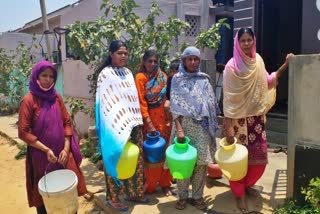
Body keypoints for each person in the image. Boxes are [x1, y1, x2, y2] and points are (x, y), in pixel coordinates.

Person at [222, 27, 293, 213]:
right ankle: (239, 195)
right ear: (237, 43)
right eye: (243, 40)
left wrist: (285, 66)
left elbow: (267, 82)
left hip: (256, 121)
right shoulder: (231, 67)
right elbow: (229, 98)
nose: (246, 44)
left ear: (253, 41)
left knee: (259, 159)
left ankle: (246, 185)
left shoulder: (258, 61)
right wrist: (228, 126)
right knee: (237, 161)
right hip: (237, 122)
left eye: (249, 40)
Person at [18, 60, 87, 214]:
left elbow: (66, 122)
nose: (48, 79)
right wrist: (46, 150)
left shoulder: (56, 97)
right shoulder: (28, 101)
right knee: (46, 194)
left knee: (67, 193)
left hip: (62, 154)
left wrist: (66, 148)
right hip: (41, 156)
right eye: (44, 75)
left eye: (51, 76)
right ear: (36, 76)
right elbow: (23, 132)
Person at [95, 40, 149, 212]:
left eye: (126, 53)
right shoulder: (105, 74)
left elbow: (131, 99)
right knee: (116, 158)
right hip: (114, 126)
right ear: (111, 54)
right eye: (120, 53)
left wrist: (135, 121)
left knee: (135, 159)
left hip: (133, 124)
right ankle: (113, 197)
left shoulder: (127, 72)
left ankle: (134, 192)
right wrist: (116, 123)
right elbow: (105, 103)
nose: (123, 56)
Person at [170, 46, 220, 210]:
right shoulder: (177, 79)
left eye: (196, 59)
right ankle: (182, 196)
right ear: (183, 60)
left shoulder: (204, 80)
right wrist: (179, 130)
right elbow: (175, 108)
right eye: (189, 59)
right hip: (184, 127)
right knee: (183, 162)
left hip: (202, 128)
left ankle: (197, 196)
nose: (192, 62)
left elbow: (211, 104)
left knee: (201, 164)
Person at [135, 50, 174, 196]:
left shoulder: (163, 76)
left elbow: (168, 99)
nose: (152, 64)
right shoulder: (140, 78)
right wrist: (149, 123)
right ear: (144, 62)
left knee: (165, 153)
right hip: (149, 122)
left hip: (164, 121)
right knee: (151, 155)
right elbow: (141, 102)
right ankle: (150, 185)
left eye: (155, 61)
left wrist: (170, 119)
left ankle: (165, 183)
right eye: (149, 61)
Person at [164, 59, 180, 127]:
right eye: (171, 72)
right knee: (166, 106)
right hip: (170, 98)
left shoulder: (181, 80)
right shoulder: (170, 79)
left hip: (179, 99)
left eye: (174, 72)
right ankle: (169, 119)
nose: (172, 74)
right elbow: (168, 90)